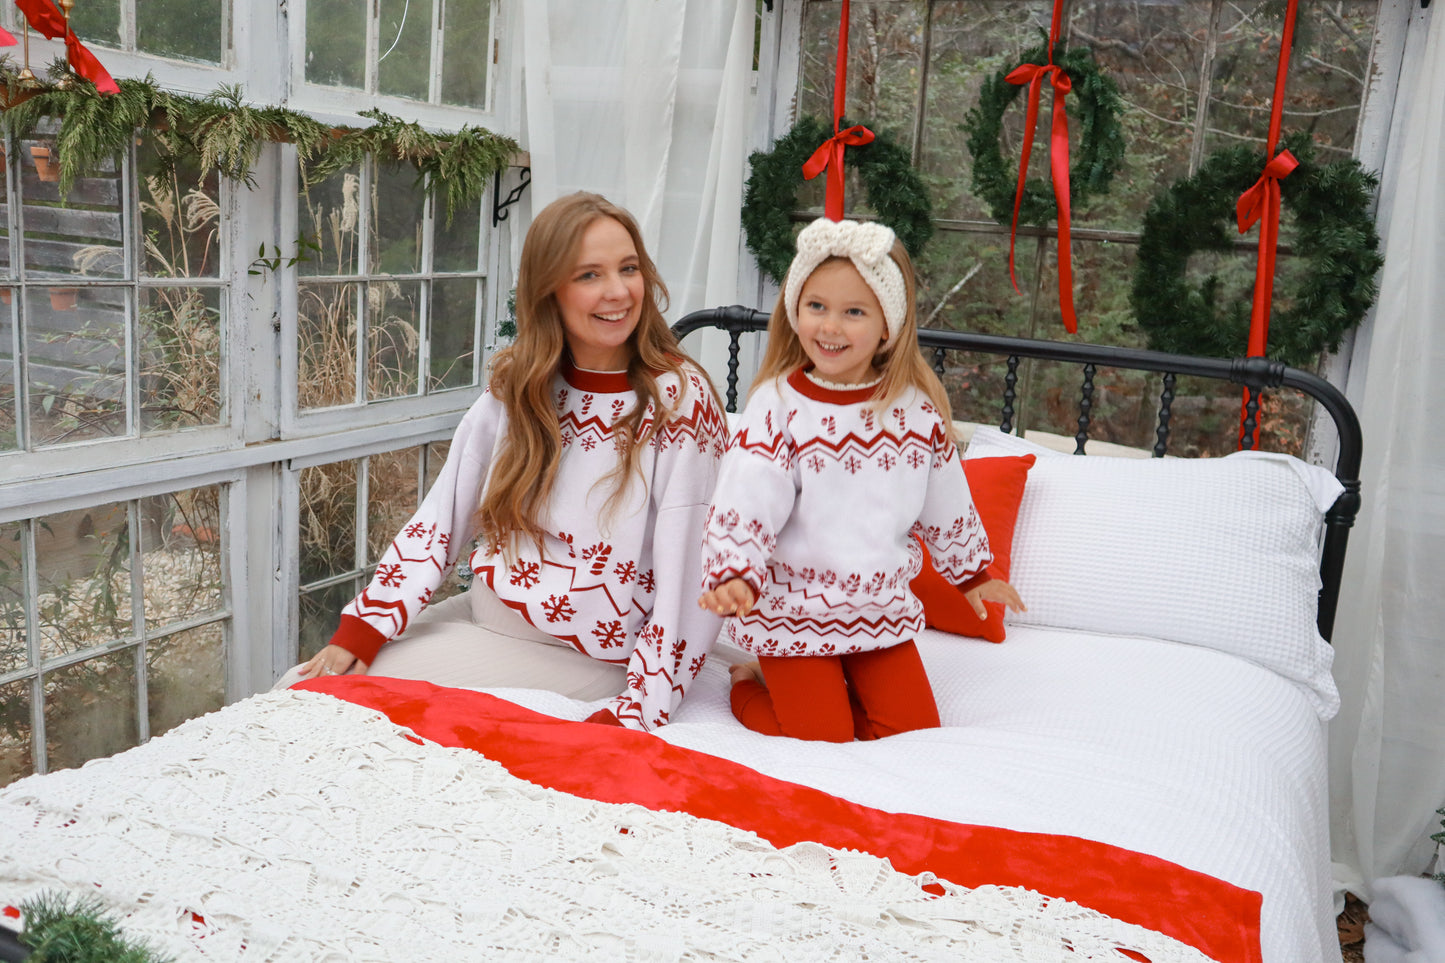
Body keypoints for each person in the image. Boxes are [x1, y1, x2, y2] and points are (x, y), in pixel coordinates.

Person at [289, 192, 729, 731]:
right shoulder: (520, 384)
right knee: (305, 687)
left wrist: (640, 708)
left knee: (323, 708)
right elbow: (443, 516)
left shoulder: (678, 401)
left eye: (629, 268)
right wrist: (368, 623)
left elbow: (693, 569)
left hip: (582, 654)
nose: (618, 292)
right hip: (484, 612)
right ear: (550, 292)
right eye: (589, 275)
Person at [697, 217, 1023, 742]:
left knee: (910, 737)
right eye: (816, 306)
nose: (830, 326)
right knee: (822, 740)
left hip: (878, 610)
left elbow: (945, 498)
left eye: (854, 312)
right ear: (795, 310)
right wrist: (735, 571)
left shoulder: (914, 412)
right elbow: (748, 498)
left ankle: (833, 684)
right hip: (793, 610)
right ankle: (745, 680)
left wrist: (972, 572)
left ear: (887, 326)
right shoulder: (779, 405)